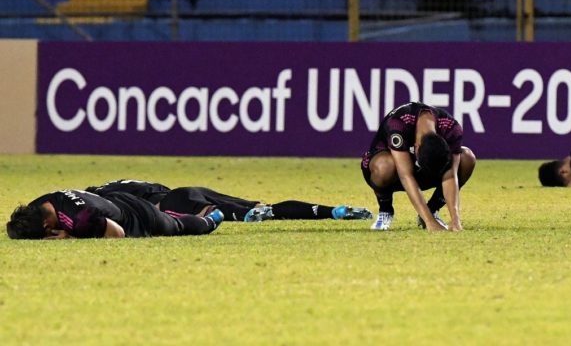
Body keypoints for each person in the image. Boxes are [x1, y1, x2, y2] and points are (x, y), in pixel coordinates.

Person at [361, 102, 476, 231]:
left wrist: (455, 220)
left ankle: (432, 209)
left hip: (422, 175)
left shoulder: (451, 128)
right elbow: (406, 176)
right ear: (416, 146)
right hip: (392, 172)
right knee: (385, 166)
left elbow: (451, 174)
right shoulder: (398, 123)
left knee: (467, 157)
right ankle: (385, 211)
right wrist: (430, 222)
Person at [85, 179, 373, 222]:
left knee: (259, 216)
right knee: (266, 209)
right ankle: (332, 210)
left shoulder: (107, 196)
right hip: (189, 190)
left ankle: (333, 211)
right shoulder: (128, 181)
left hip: (176, 202)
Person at [6, 189, 223, 239]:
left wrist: (71, 237)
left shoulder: (79, 220)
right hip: (112, 199)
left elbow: (118, 234)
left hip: (136, 215)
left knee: (176, 227)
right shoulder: (39, 204)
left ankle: (211, 219)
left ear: (46, 226)